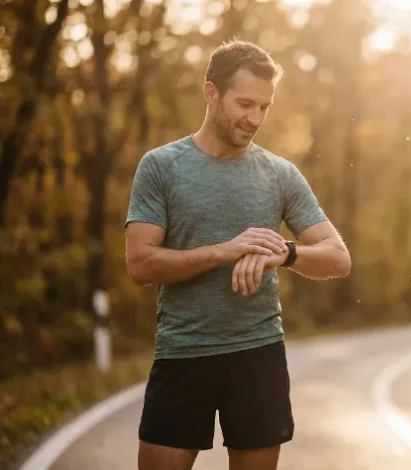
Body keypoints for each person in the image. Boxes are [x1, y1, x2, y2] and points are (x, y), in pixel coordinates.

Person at [124, 39, 351, 470]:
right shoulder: (161, 167)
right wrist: (222, 252)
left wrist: (283, 254)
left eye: (264, 107)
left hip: (258, 354)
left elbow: (338, 257)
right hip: (183, 353)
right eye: (245, 103)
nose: (255, 118)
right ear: (211, 93)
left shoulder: (280, 174)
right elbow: (140, 264)